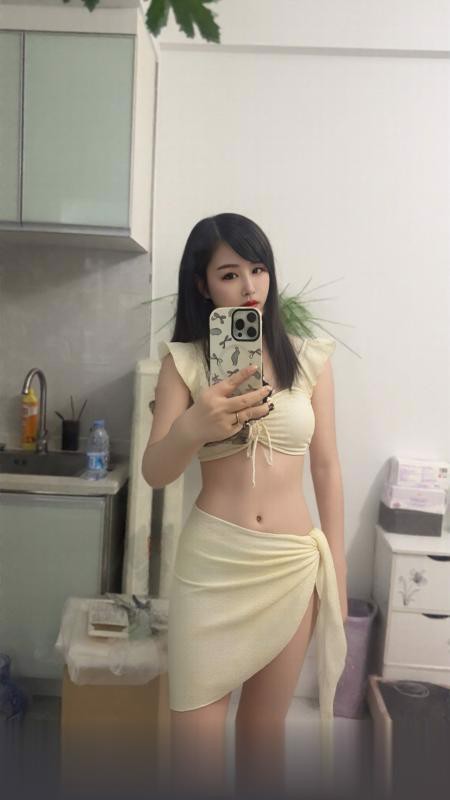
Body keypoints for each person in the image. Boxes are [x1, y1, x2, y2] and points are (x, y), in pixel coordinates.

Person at [142, 213, 348, 800]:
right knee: (194, 757)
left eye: (258, 270)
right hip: (212, 568)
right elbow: (155, 471)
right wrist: (193, 427)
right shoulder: (184, 363)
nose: (250, 286)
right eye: (230, 274)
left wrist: (337, 563)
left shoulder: (307, 359)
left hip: (290, 568)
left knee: (263, 741)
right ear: (203, 285)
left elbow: (327, 467)